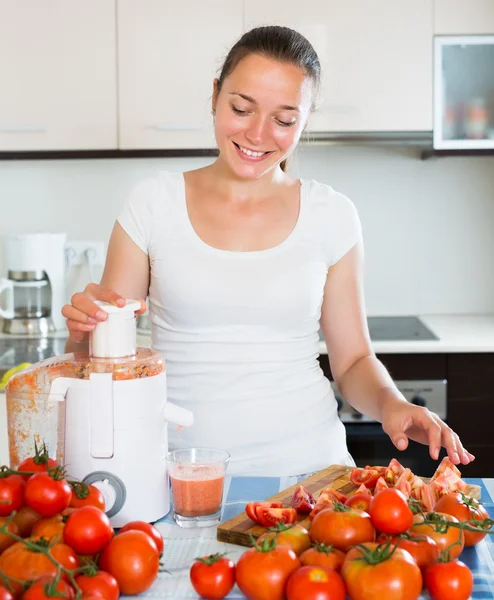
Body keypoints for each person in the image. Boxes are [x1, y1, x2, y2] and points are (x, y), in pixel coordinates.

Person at [63, 25, 474, 476]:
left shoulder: (331, 214)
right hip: (176, 472)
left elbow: (353, 360)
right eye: (242, 109)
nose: (258, 135)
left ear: (305, 120)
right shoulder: (152, 204)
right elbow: (106, 360)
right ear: (216, 95)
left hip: (312, 472)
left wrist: (390, 404)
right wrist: (84, 335)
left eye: (283, 120)